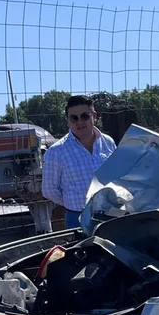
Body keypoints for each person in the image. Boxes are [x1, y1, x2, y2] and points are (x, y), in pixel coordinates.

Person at [41, 95, 116, 229]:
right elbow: (49, 190)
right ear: (68, 121)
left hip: (111, 214)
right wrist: (73, 201)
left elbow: (117, 175)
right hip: (77, 218)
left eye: (85, 116)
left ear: (94, 116)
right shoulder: (56, 152)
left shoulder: (108, 143)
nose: (79, 121)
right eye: (74, 118)